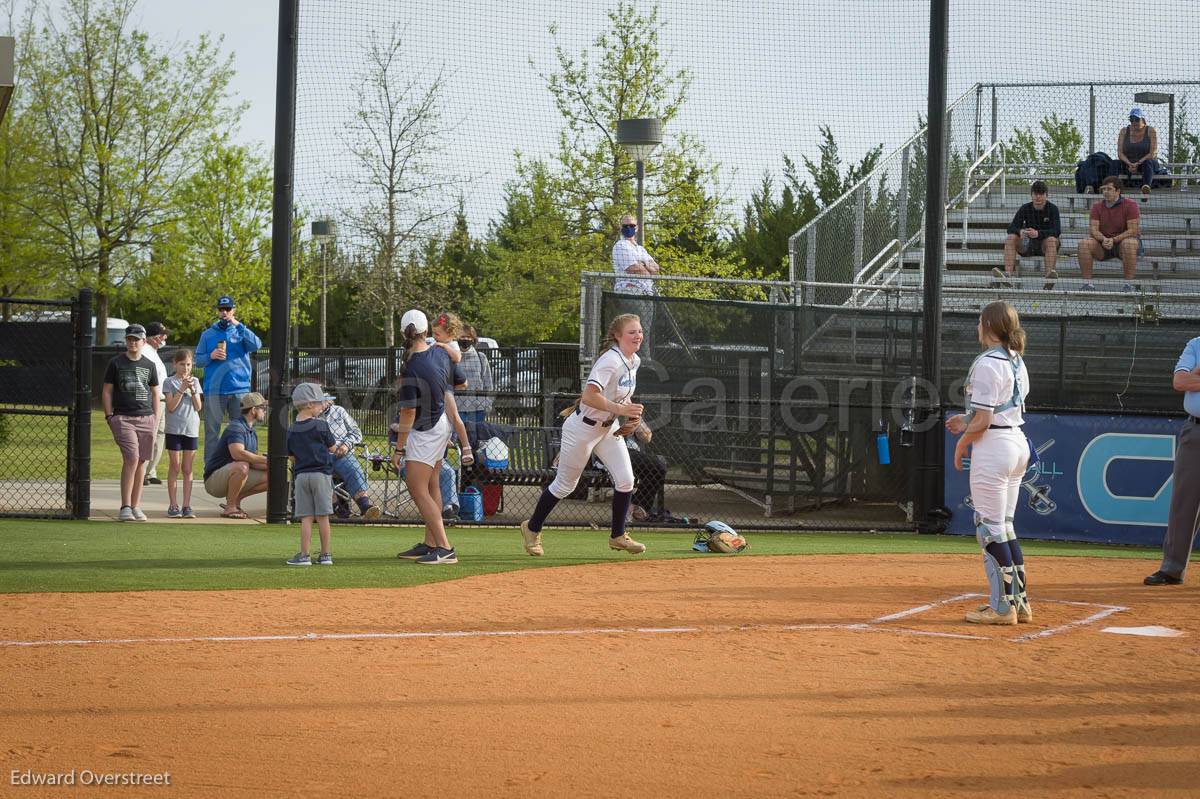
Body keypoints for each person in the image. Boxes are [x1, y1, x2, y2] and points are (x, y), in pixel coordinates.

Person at [519, 313, 647, 557]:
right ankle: (532, 528)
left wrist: (632, 417)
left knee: (626, 480)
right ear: (617, 336)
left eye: (639, 331)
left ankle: (618, 536)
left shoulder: (634, 361)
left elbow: (621, 395)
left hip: (607, 428)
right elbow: (590, 396)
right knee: (565, 485)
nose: (638, 336)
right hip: (582, 429)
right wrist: (621, 409)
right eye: (632, 332)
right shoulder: (610, 360)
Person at [945, 301, 1033, 625]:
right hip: (1016, 443)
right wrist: (966, 420)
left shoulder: (986, 362)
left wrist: (962, 442)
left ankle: (1001, 608)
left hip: (994, 447)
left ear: (988, 325)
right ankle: (1019, 603)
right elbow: (994, 410)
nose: (977, 327)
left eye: (980, 322)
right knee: (1005, 526)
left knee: (989, 529)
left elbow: (984, 419)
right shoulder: (1015, 359)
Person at [392, 309, 467, 565]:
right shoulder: (440, 351)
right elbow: (460, 383)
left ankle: (445, 547)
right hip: (441, 423)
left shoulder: (412, 364)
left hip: (426, 430)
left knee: (417, 487)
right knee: (432, 483)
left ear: (404, 333)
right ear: (426, 331)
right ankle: (431, 543)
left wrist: (399, 449)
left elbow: (408, 411)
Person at [1143, 335, 1200, 586]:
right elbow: (1179, 381)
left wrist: (1196, 378)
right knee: (1183, 503)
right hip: (1195, 432)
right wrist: (1191, 378)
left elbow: (1190, 380)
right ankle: (1172, 569)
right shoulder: (1196, 344)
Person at [101, 324, 161, 522]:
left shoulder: (149, 365)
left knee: (142, 461)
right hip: (123, 418)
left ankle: (136, 506)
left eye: (136, 339)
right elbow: (107, 391)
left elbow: (154, 393)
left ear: (144, 342)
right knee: (132, 458)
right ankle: (125, 506)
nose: (133, 342)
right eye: (130, 339)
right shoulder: (116, 363)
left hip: (146, 418)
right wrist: (109, 416)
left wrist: (154, 417)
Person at [195, 295, 263, 464]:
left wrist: (238, 325)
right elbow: (198, 361)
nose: (224, 312)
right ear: (217, 311)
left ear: (234, 310)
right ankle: (211, 469)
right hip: (214, 391)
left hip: (239, 390)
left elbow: (257, 345)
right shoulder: (208, 334)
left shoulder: (241, 331)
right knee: (212, 432)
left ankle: (244, 465)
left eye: (228, 309)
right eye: (221, 309)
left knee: (242, 429)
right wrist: (211, 355)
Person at [286, 383, 337, 567]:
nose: (322, 406)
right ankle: (325, 555)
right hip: (321, 475)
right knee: (323, 516)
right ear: (309, 404)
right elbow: (332, 448)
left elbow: (291, 456)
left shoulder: (292, 429)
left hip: (301, 476)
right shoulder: (321, 425)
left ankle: (305, 555)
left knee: (306, 517)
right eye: (319, 403)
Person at [203, 391, 269, 519]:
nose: (265, 411)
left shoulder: (251, 431)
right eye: (263, 408)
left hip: (231, 474)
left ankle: (236, 498)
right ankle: (230, 507)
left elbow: (253, 461)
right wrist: (265, 459)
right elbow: (238, 453)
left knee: (274, 475)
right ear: (254, 410)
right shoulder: (236, 427)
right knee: (242, 466)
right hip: (213, 481)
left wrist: (270, 464)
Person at [318, 390, 381, 519]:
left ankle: (365, 506)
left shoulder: (339, 411)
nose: (321, 404)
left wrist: (346, 445)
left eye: (323, 401)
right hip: (319, 455)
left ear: (328, 402)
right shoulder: (309, 416)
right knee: (319, 471)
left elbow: (356, 433)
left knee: (353, 468)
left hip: (341, 453)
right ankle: (336, 506)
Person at [992, 181, 1061, 290]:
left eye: (1041, 194)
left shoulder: (1053, 209)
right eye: (1035, 194)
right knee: (1011, 237)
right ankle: (1007, 275)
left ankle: (1049, 278)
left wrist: (1038, 233)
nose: (1038, 197)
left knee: (1052, 240)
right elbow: (1011, 228)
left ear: (1046, 195)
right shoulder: (1025, 208)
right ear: (1031, 195)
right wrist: (1020, 232)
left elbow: (1057, 230)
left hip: (1045, 246)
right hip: (1028, 245)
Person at [1077, 176, 1141, 292]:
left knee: (1129, 243)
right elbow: (1093, 230)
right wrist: (1104, 239)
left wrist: (1114, 239)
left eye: (1109, 189)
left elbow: (1133, 230)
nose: (1105, 192)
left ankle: (1128, 285)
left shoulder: (1131, 204)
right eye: (1104, 189)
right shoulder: (1097, 206)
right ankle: (1087, 284)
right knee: (1084, 244)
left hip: (1123, 245)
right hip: (1103, 244)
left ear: (1118, 191)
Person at [162, 348, 203, 519]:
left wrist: (192, 390)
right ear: (175, 364)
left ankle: (187, 505)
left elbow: (198, 407)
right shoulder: (169, 382)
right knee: (175, 466)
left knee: (187, 468)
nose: (185, 368)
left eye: (188, 364)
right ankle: (173, 504)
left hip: (191, 429)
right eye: (181, 364)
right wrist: (181, 389)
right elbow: (170, 407)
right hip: (174, 429)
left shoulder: (195, 381)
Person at [429, 311, 474, 466]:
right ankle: (446, 438)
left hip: (445, 387)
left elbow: (457, 358)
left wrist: (442, 345)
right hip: (437, 386)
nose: (435, 337)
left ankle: (466, 447)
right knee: (442, 416)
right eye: (433, 333)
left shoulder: (452, 344)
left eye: (437, 334)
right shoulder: (436, 343)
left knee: (454, 416)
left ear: (450, 333)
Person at [611, 215, 659, 355]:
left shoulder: (640, 249)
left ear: (637, 228)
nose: (628, 228)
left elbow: (655, 268)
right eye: (625, 226)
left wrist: (643, 265)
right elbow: (632, 268)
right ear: (621, 228)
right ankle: (638, 359)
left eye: (631, 226)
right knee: (634, 329)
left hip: (646, 294)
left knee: (644, 330)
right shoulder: (620, 246)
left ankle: (644, 360)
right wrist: (644, 266)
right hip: (630, 292)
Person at [455, 325, 494, 448]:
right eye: (462, 336)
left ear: (473, 339)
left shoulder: (481, 357)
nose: (465, 339)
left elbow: (488, 383)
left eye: (468, 336)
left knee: (477, 442)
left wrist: (487, 404)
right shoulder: (452, 358)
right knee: (460, 442)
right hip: (457, 407)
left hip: (478, 408)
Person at [141, 321, 169, 485]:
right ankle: (142, 471)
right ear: (153, 337)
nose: (164, 338)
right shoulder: (145, 351)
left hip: (162, 400)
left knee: (159, 435)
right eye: (161, 335)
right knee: (149, 435)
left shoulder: (154, 352)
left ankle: (150, 471)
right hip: (152, 400)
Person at [1117, 107, 1159, 196]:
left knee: (1148, 163)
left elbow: (1153, 153)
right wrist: (1129, 163)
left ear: (1142, 119)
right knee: (1114, 163)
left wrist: (1138, 163)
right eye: (1131, 120)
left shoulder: (1151, 131)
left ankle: (1145, 188)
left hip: (1146, 162)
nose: (1134, 122)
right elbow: (1120, 153)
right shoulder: (1124, 131)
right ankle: (1110, 187)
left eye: (1136, 119)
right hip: (1129, 163)